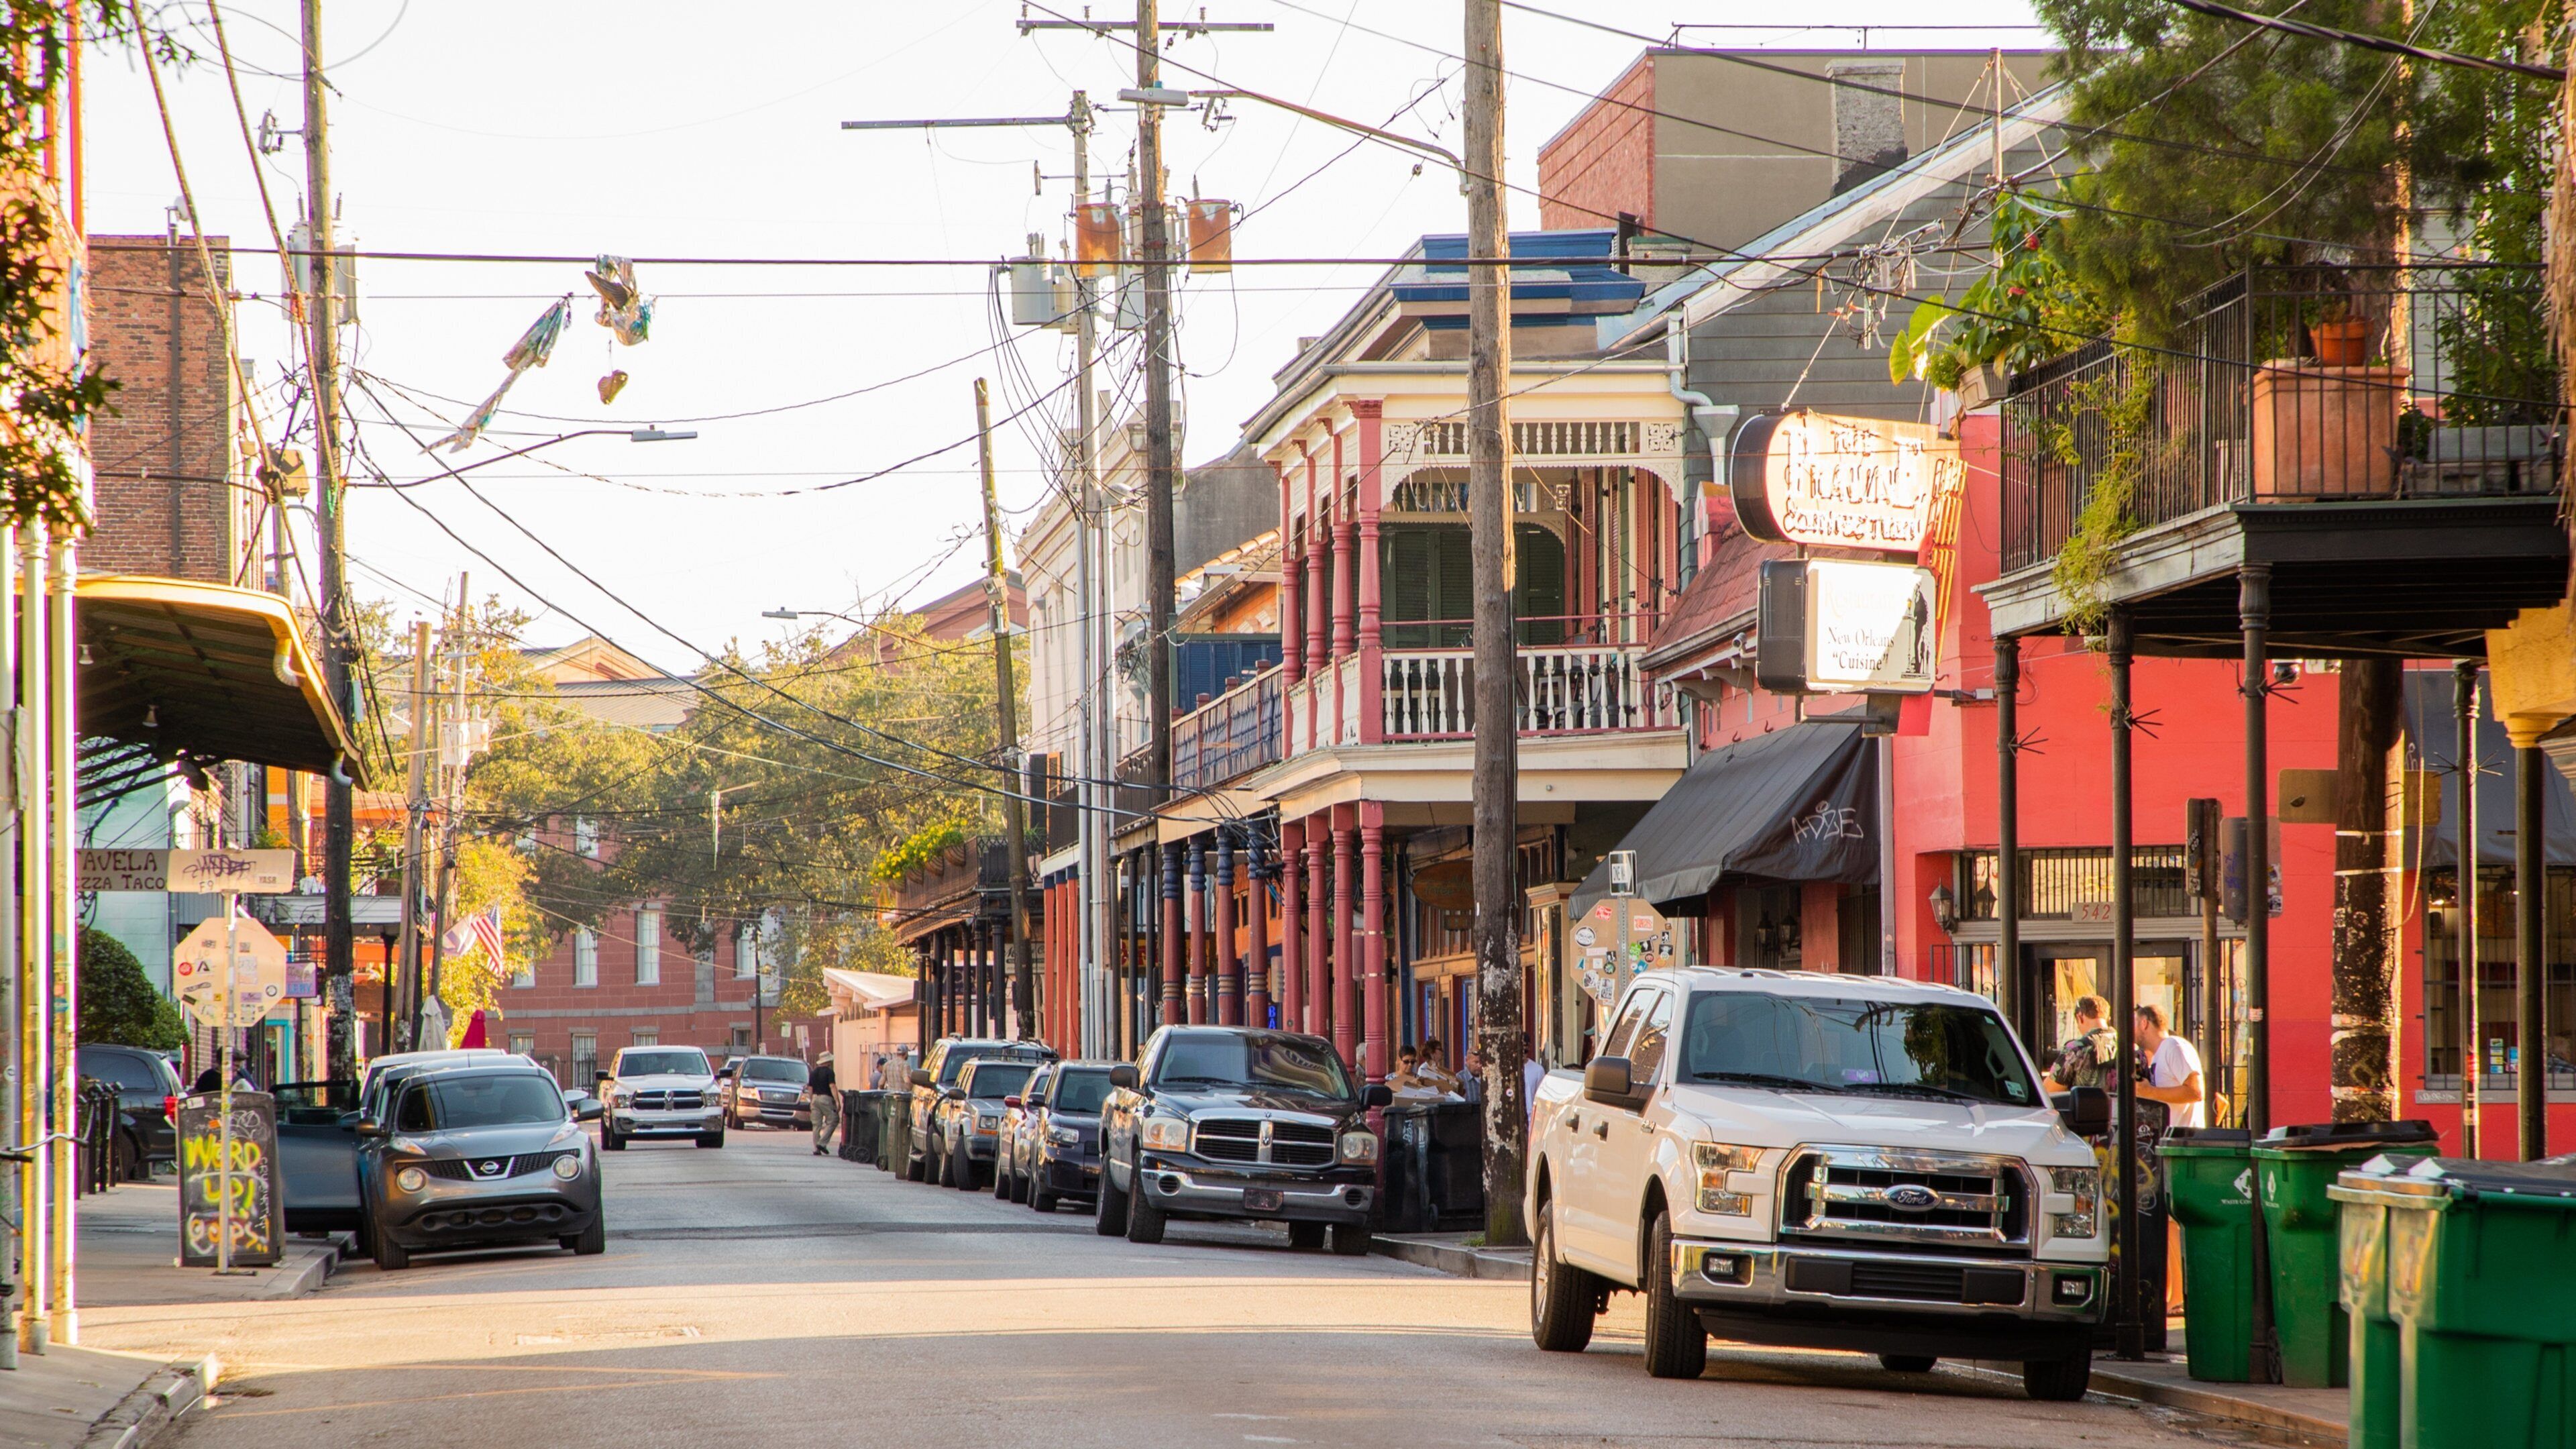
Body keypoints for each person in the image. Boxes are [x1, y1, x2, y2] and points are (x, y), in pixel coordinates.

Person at [2134, 1005, 2206, 1130]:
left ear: (2144, 1023)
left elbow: (2195, 1092)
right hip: (2171, 1141)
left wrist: (2148, 1091)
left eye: (2134, 1023)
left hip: (2184, 1141)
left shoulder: (2174, 1046)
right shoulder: (2159, 1054)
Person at [2043, 996, 2121, 1095]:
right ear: (2108, 1018)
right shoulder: (2133, 1048)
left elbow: (2048, 1091)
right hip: (2122, 1111)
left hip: (2088, 1110)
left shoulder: (2076, 1049)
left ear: (2080, 1017)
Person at [808, 1053, 839, 1156]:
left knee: (816, 1125)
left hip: (815, 1098)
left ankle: (816, 1148)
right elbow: (832, 1086)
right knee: (833, 1120)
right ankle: (822, 1143)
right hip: (826, 1099)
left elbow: (810, 1088)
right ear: (828, 1062)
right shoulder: (829, 1072)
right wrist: (837, 1101)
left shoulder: (813, 1072)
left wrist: (811, 1100)